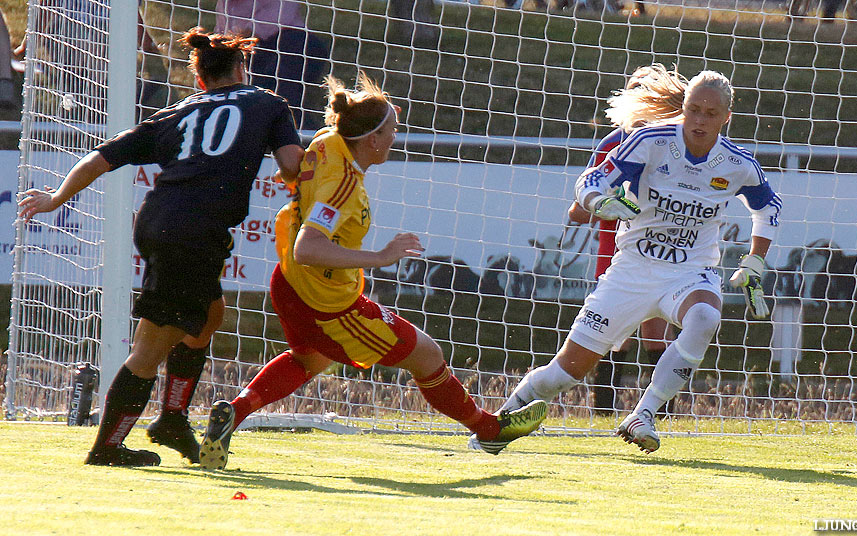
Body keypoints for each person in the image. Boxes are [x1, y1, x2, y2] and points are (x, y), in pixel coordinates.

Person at [197, 71, 547, 470]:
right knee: (427, 355)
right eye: (393, 131)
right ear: (372, 140)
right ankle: (490, 431)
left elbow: (300, 169)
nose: (396, 138)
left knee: (308, 360)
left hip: (289, 283)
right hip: (329, 302)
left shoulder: (328, 141)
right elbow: (309, 247)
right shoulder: (345, 184)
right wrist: (381, 257)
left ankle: (234, 412)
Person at [18, 28, 305, 466]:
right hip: (191, 232)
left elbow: (101, 156)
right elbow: (291, 166)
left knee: (209, 317)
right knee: (151, 347)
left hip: (163, 222)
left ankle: (171, 419)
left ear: (201, 80)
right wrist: (328, 158)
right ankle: (107, 446)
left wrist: (56, 198)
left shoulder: (179, 111)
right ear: (240, 69)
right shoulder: (267, 103)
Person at [475, 70, 782, 454]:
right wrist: (599, 201)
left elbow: (768, 206)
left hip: (690, 272)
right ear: (683, 109)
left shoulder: (736, 163)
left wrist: (755, 259)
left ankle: (644, 414)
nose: (700, 120)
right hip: (632, 269)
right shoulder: (648, 141)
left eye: (710, 112)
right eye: (693, 110)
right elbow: (590, 182)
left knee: (705, 318)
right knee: (563, 374)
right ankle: (491, 429)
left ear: (727, 117)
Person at [564, 64, 686, 415]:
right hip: (616, 257)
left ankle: (661, 417)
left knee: (657, 336)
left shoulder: (680, 145)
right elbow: (577, 212)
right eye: (633, 91)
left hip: (664, 256)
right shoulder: (613, 144)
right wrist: (609, 205)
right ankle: (604, 414)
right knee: (611, 339)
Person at [215, 0, 330, 129]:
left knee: (283, 95)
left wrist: (247, 32)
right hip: (254, 51)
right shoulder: (225, 5)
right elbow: (223, 35)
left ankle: (300, 136)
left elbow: (283, 12)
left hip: (292, 42)